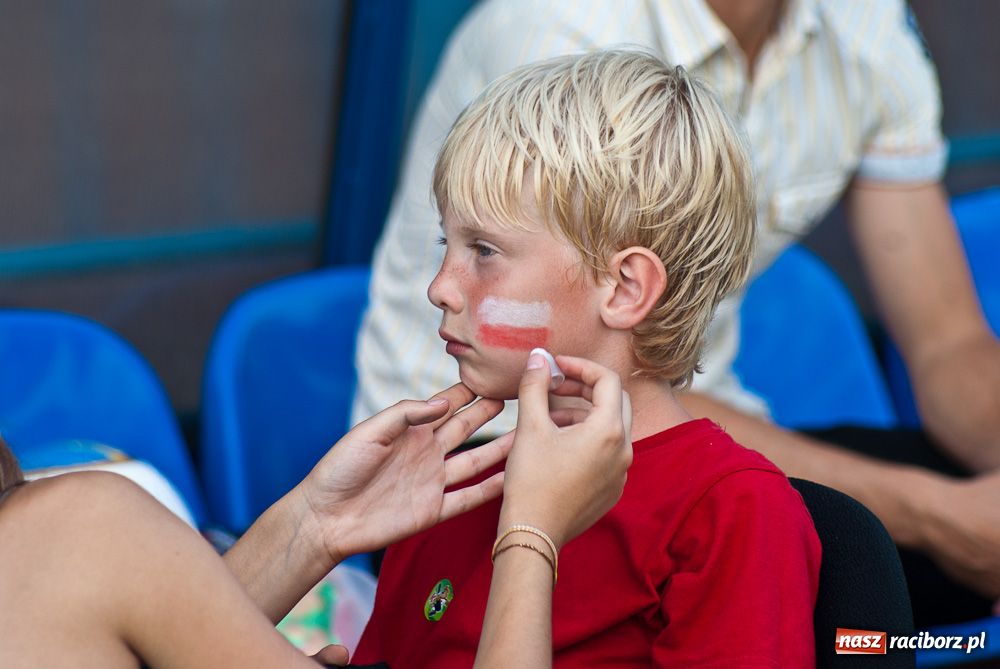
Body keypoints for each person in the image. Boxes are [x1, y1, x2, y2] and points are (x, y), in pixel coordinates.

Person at [351, 0, 1000, 626]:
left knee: (860, 531)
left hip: (675, 408)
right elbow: (590, 385)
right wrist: (937, 517)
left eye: (482, 250)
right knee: (847, 550)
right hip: (485, 442)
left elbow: (947, 341)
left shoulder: (869, 23)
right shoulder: (559, 28)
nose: (444, 284)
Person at [349, 50, 821, 667]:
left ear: (625, 289)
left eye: (484, 250)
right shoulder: (451, 490)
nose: (440, 286)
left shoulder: (732, 514)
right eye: (448, 243)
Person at [0, 358, 632, 668]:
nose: (439, 287)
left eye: (485, 250)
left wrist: (313, 528)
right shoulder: (76, 528)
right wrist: (532, 531)